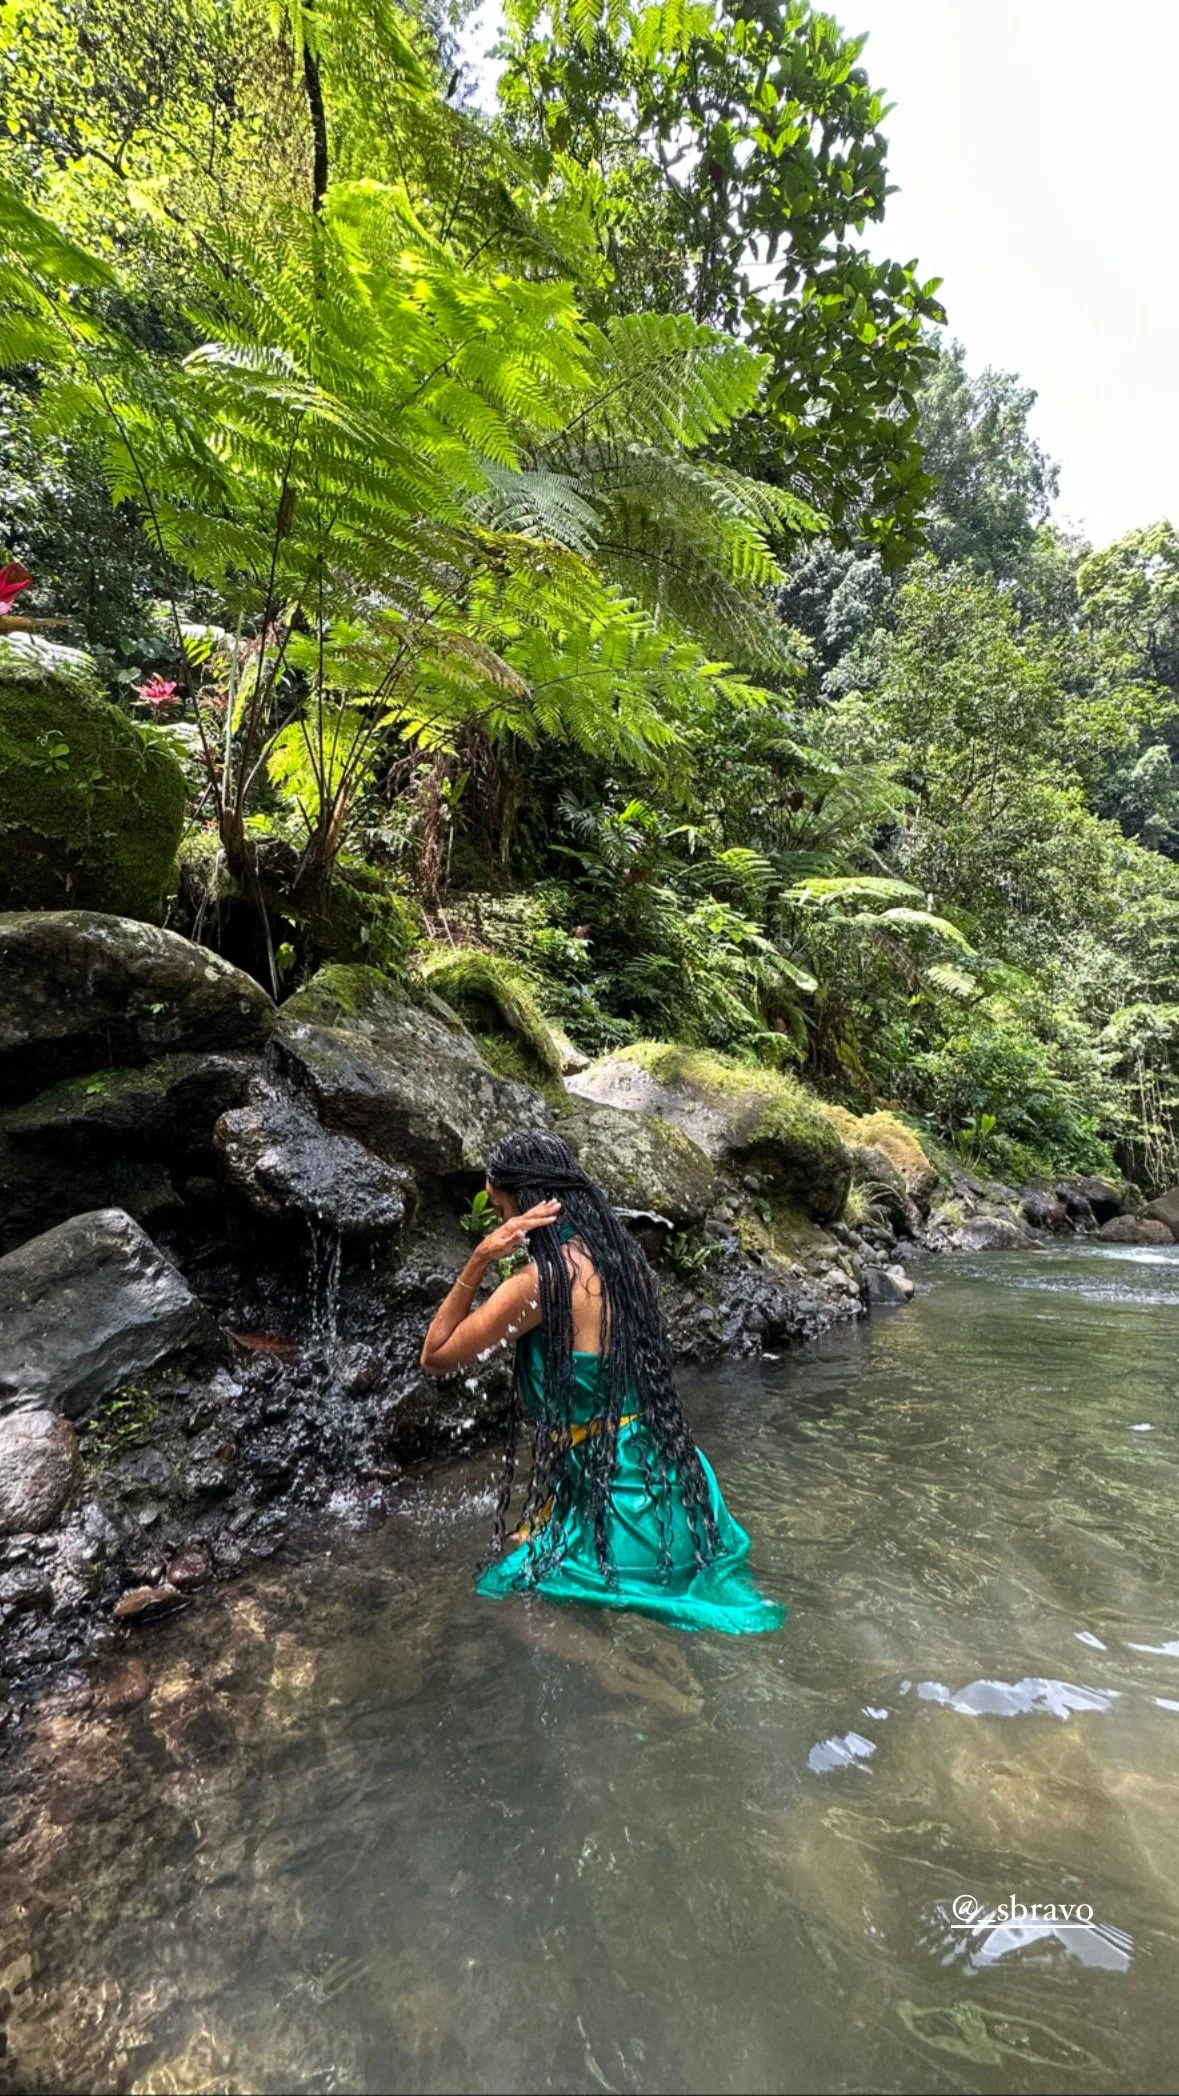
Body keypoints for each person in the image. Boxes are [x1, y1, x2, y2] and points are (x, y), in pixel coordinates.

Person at [420, 1128, 784, 1635]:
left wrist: (481, 1256)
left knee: (505, 1598)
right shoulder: (623, 1258)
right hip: (676, 1489)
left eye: (502, 1211)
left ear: (514, 1202)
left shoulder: (541, 1282)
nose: (503, 1222)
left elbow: (435, 1355)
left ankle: (644, 1688)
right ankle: (663, 1680)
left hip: (623, 1510)